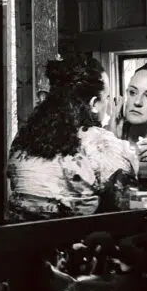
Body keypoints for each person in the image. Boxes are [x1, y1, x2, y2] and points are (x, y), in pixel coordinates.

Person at [7, 54, 139, 222]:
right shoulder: (101, 143)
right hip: (74, 243)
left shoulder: (23, 138)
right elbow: (126, 208)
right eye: (106, 98)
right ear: (93, 104)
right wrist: (113, 143)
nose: (108, 104)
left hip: (20, 241)